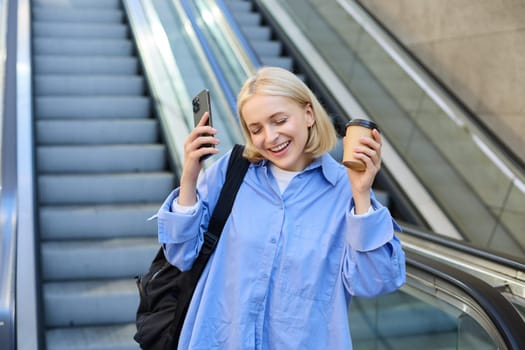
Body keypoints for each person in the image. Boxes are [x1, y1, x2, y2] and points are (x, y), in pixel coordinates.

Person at [156, 66, 406, 349]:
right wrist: (190, 176)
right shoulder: (231, 172)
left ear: (309, 114)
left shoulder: (344, 189)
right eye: (256, 129)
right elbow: (181, 254)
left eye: (280, 120)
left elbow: (374, 282)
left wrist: (361, 194)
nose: (270, 137)